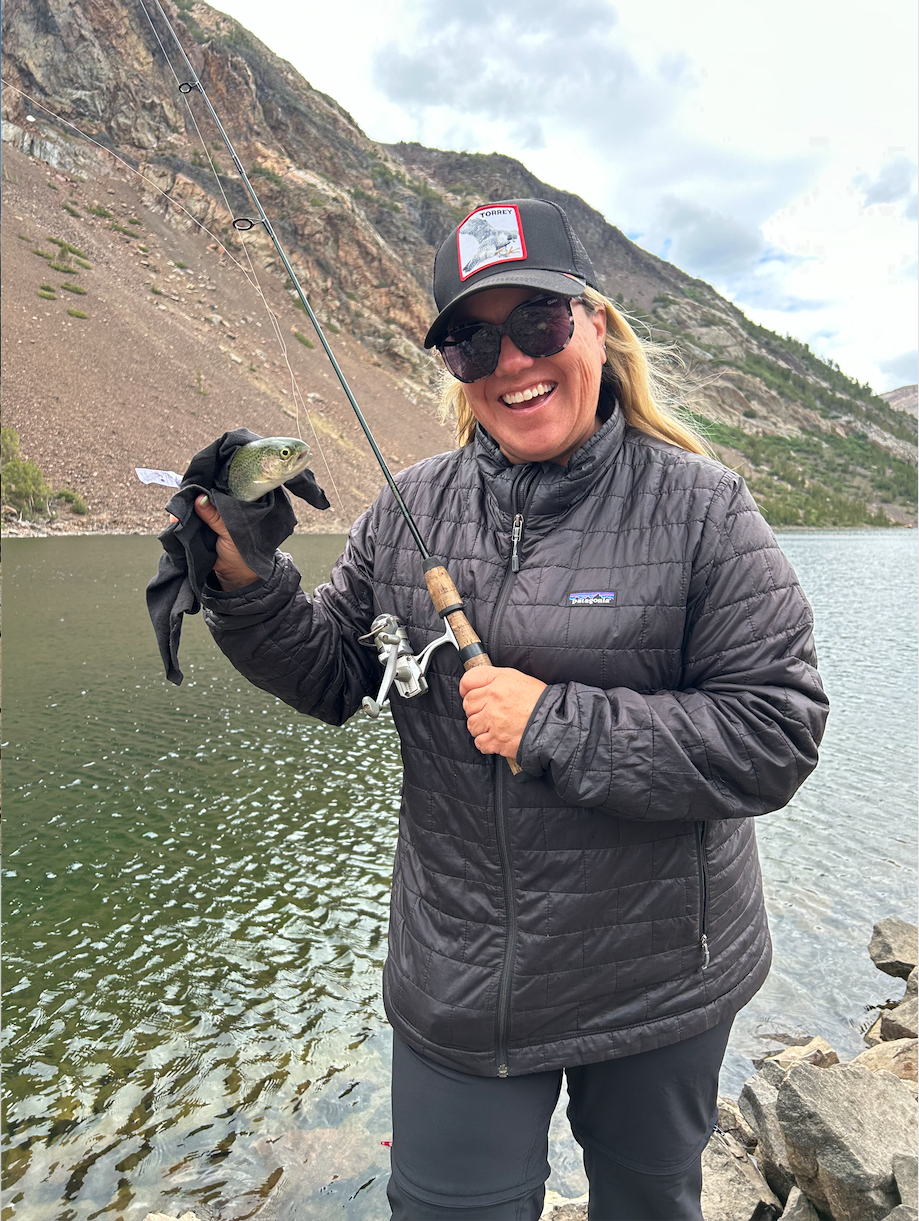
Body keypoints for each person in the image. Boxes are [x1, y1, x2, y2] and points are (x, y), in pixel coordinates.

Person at [193, 198, 829, 1220]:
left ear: (595, 325)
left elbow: (775, 735)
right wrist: (242, 580)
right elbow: (330, 674)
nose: (509, 359)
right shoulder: (411, 510)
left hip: (657, 984)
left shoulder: (706, 508)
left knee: (647, 1203)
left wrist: (555, 723)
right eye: (470, 339)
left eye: (537, 320)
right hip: (461, 981)